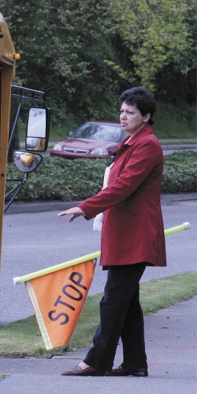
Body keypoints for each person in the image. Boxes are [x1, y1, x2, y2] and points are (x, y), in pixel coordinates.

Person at [58, 86, 166, 377]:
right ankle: (135, 363)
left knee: (112, 301)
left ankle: (97, 360)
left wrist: (85, 207)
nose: (123, 116)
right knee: (127, 302)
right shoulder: (131, 142)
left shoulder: (147, 145)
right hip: (124, 234)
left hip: (136, 236)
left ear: (146, 116)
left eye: (130, 112)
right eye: (121, 110)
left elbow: (122, 187)